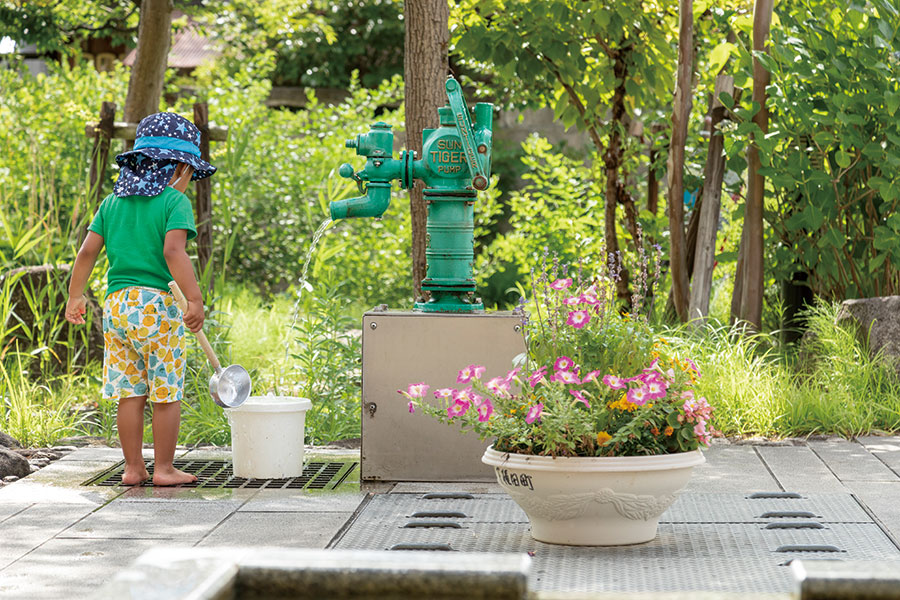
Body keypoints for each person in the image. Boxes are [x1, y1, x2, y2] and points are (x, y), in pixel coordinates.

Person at [65, 112, 216, 486]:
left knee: (129, 392)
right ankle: (164, 469)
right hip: (157, 306)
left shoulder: (112, 203)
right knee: (165, 390)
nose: (189, 182)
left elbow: (86, 253)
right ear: (180, 167)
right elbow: (173, 253)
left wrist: (76, 295)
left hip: (116, 308)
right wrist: (194, 300)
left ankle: (133, 469)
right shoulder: (173, 202)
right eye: (190, 174)